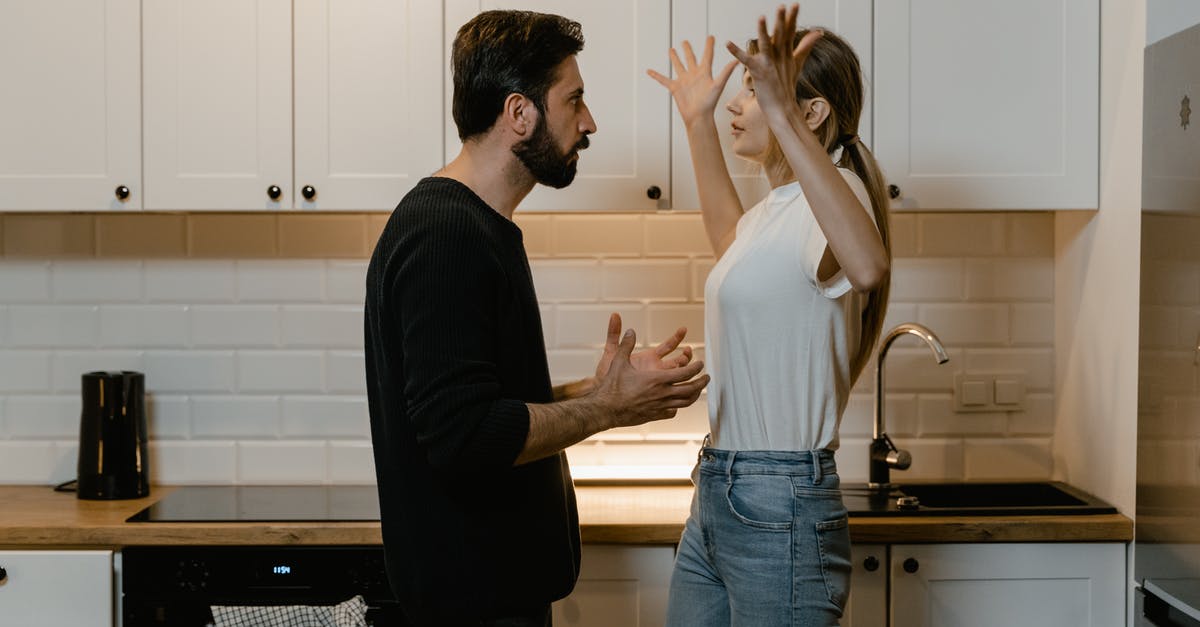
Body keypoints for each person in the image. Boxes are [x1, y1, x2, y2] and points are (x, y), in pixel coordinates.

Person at [365, 10, 710, 627]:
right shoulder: (446, 234)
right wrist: (606, 410)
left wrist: (596, 390)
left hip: (490, 598)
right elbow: (464, 438)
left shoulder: (474, 226)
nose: (589, 121)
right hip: (474, 607)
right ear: (519, 113)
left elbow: (481, 405)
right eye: (573, 99)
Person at [647, 4, 892, 625]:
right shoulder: (779, 209)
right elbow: (733, 243)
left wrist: (782, 116)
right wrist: (699, 122)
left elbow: (868, 266)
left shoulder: (840, 192)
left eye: (755, 91)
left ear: (811, 113)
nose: (739, 102)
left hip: (780, 495)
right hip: (720, 486)